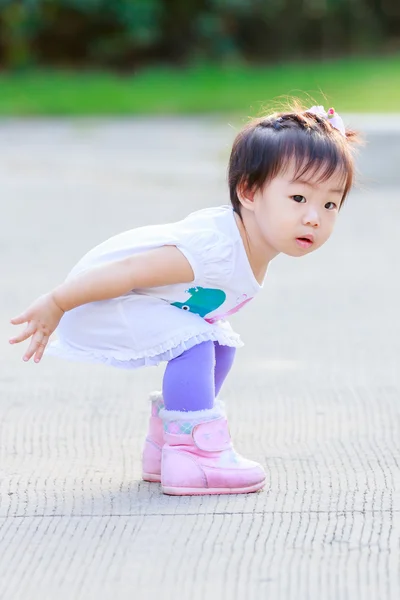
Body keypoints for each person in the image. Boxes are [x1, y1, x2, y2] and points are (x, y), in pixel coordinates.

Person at [9, 104, 360, 496]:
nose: (315, 217)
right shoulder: (214, 248)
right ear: (248, 191)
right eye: (298, 197)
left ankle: (168, 444)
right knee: (196, 343)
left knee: (219, 345)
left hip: (136, 301)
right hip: (102, 299)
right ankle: (194, 453)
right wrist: (58, 302)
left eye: (330, 204)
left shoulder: (252, 248)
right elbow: (129, 271)